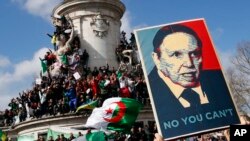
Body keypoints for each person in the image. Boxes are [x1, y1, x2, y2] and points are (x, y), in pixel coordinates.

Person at [146, 23, 240, 139]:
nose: (189, 63)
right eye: (176, 54)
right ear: (157, 59)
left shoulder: (218, 83)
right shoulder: (153, 90)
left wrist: (241, 133)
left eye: (194, 53)